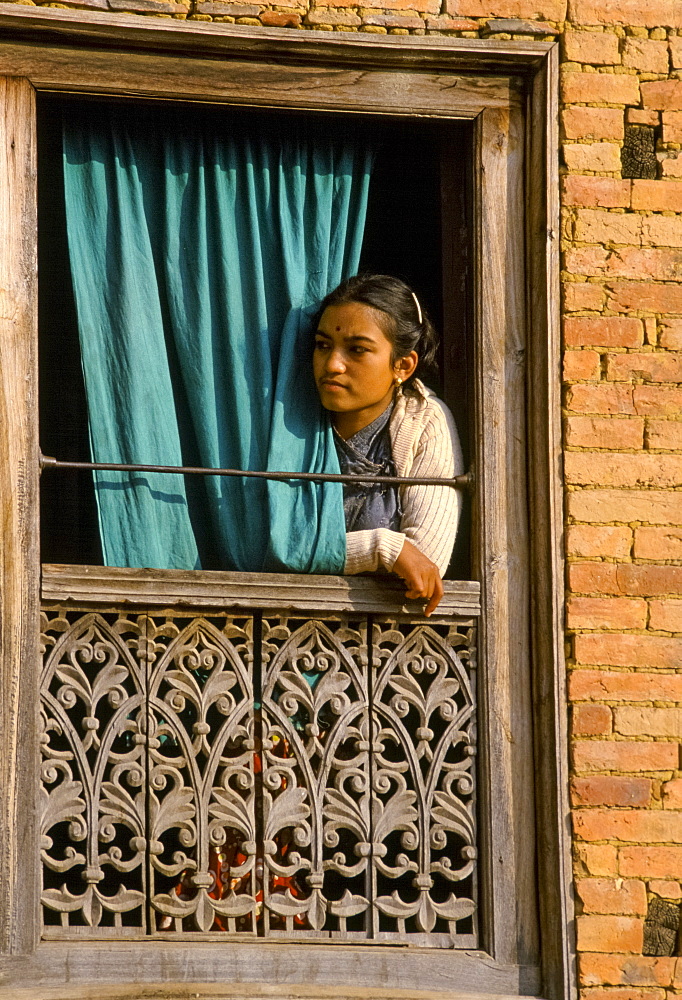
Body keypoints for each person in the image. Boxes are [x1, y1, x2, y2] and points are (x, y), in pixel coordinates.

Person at [313, 274, 463, 616]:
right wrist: (383, 547)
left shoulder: (422, 421)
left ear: (403, 365)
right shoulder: (290, 420)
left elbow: (426, 562)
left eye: (357, 350)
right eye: (323, 346)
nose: (332, 365)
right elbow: (270, 546)